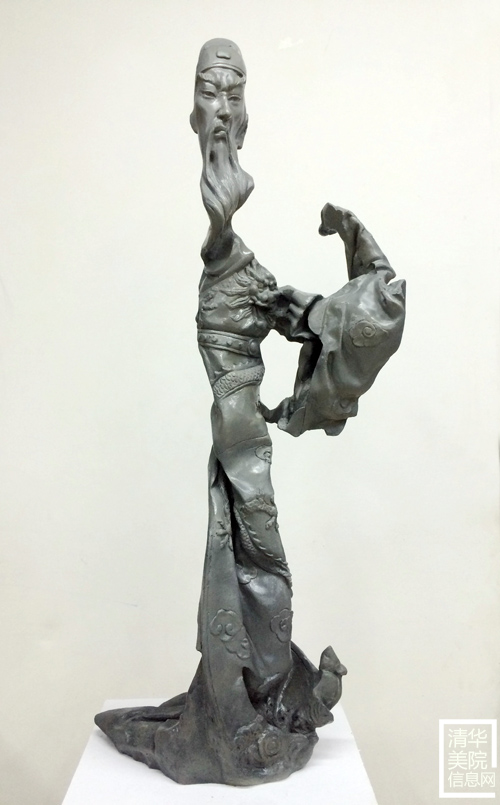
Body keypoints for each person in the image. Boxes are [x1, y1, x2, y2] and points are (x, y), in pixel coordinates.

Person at [95, 39, 405, 786]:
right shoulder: (225, 252)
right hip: (234, 439)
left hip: (245, 441)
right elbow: (230, 266)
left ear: (248, 112)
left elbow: (304, 315)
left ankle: (271, 701)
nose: (223, 107)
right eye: (210, 91)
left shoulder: (241, 263)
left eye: (234, 93)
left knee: (262, 567)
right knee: (251, 567)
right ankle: (248, 711)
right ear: (192, 113)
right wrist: (221, 229)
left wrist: (360, 289)